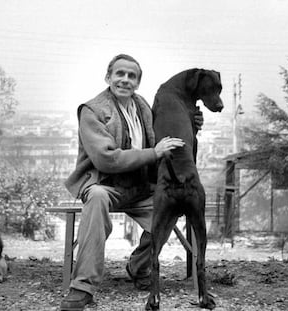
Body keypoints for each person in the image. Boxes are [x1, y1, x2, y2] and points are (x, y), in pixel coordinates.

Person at [60, 54, 202, 310]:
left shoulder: (144, 107)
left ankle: (139, 267)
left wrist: (192, 125)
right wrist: (153, 153)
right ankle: (82, 287)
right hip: (105, 184)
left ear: (137, 82)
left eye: (131, 76)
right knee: (97, 198)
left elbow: (168, 137)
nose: (125, 80)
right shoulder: (92, 111)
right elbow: (105, 159)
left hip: (138, 187)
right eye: (120, 74)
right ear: (108, 77)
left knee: (170, 205)